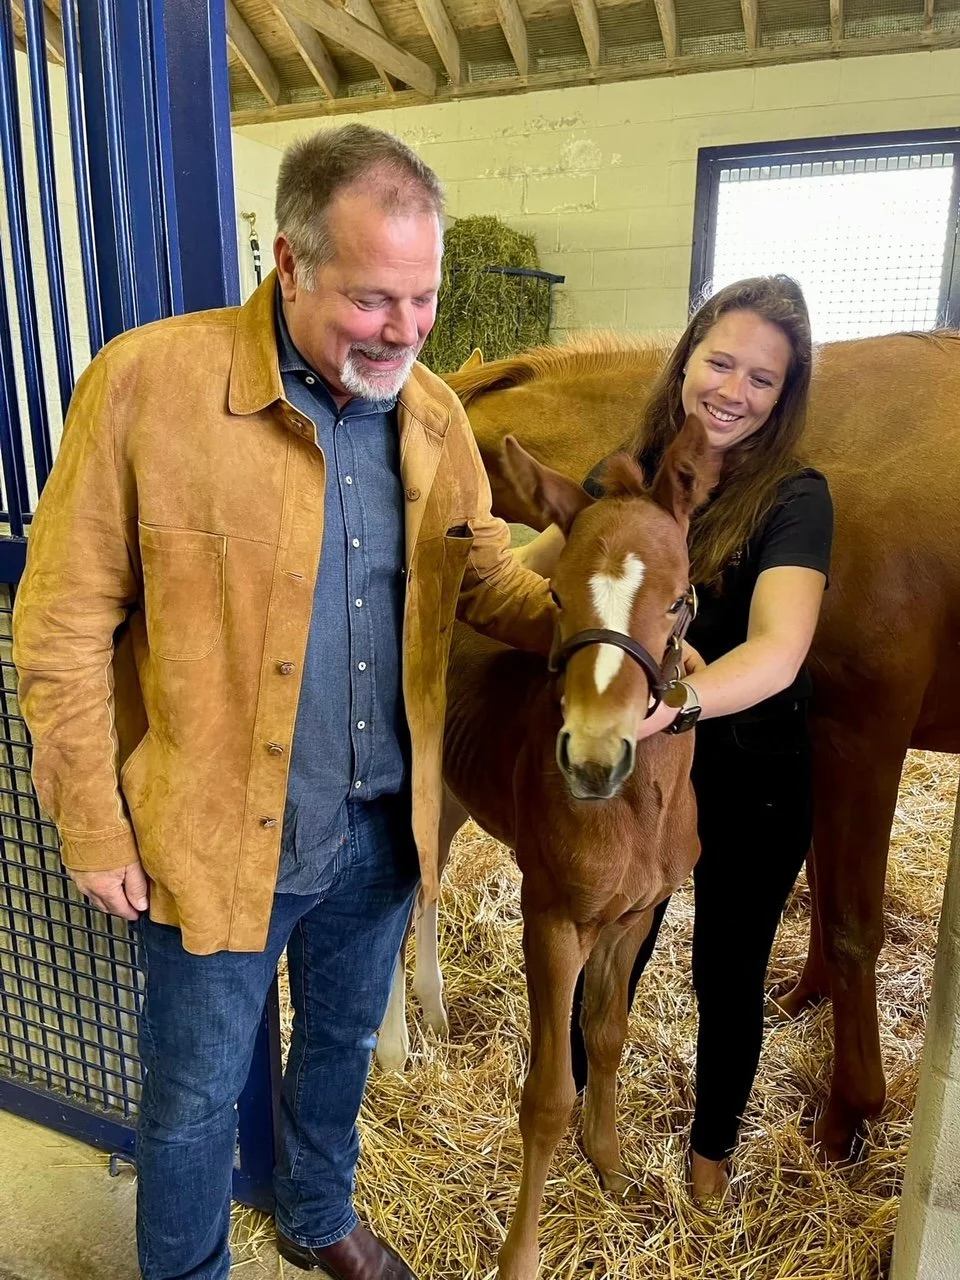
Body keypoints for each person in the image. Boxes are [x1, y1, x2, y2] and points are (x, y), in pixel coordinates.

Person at [12, 124, 555, 1280]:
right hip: (215, 831)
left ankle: (316, 1212)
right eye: (372, 299)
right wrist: (93, 822)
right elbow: (58, 622)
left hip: (380, 827)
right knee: (195, 1094)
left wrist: (614, 622)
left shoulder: (434, 413)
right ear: (288, 260)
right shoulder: (146, 383)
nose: (405, 330)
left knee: (342, 1046)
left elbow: (483, 576)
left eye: (424, 297)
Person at [519, 275, 832, 1203]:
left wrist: (672, 704)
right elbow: (563, 575)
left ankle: (710, 1156)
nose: (734, 390)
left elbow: (778, 651)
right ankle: (577, 1122)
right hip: (636, 770)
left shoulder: (794, 498)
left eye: (763, 379)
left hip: (750, 767)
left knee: (729, 970)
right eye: (720, 362)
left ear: (785, 397)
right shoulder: (628, 476)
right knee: (609, 945)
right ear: (687, 361)